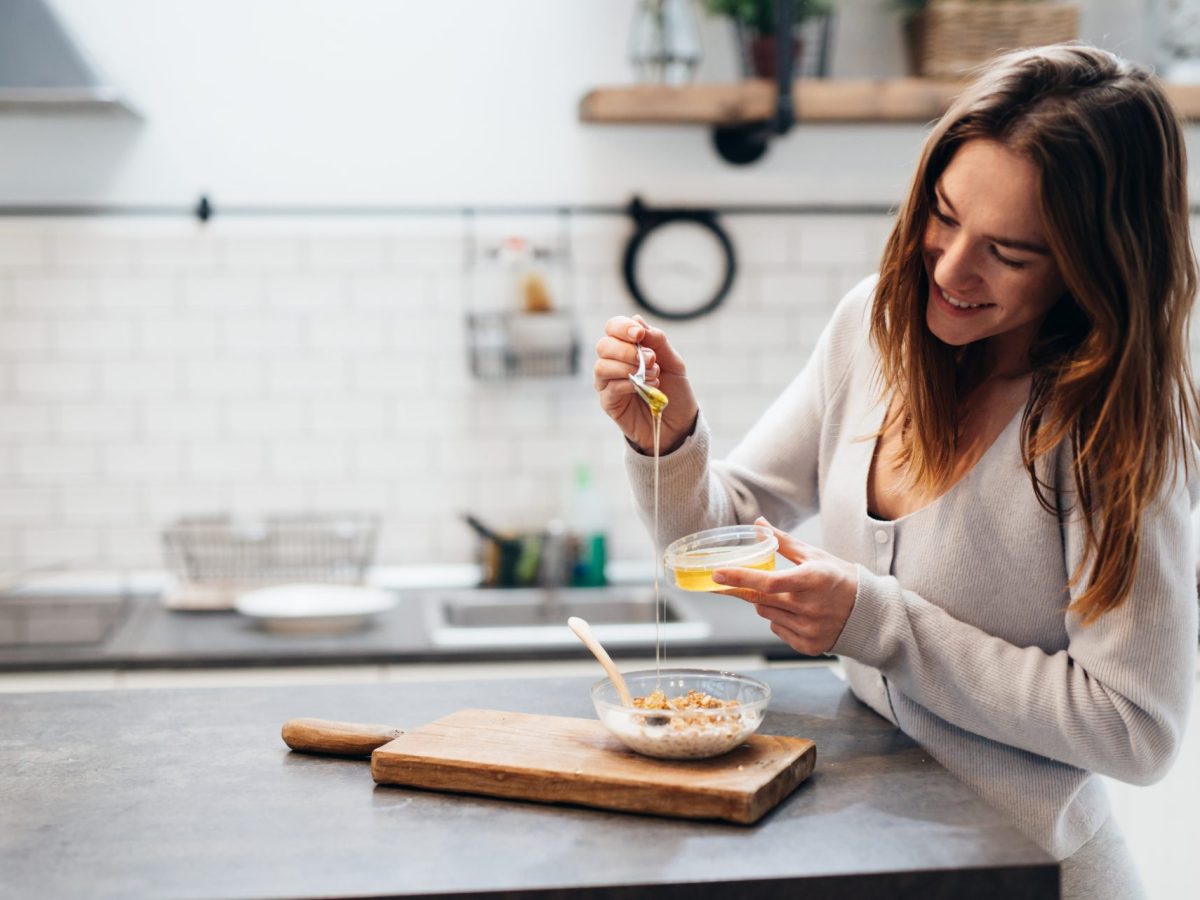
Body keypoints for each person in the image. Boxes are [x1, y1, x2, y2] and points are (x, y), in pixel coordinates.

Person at [594, 43, 1198, 900]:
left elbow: (1138, 729)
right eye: (944, 216)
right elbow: (706, 543)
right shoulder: (872, 332)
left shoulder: (1115, 429)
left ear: (1091, 263)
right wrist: (666, 433)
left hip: (1032, 878)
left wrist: (873, 620)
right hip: (879, 853)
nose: (950, 271)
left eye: (1011, 253)